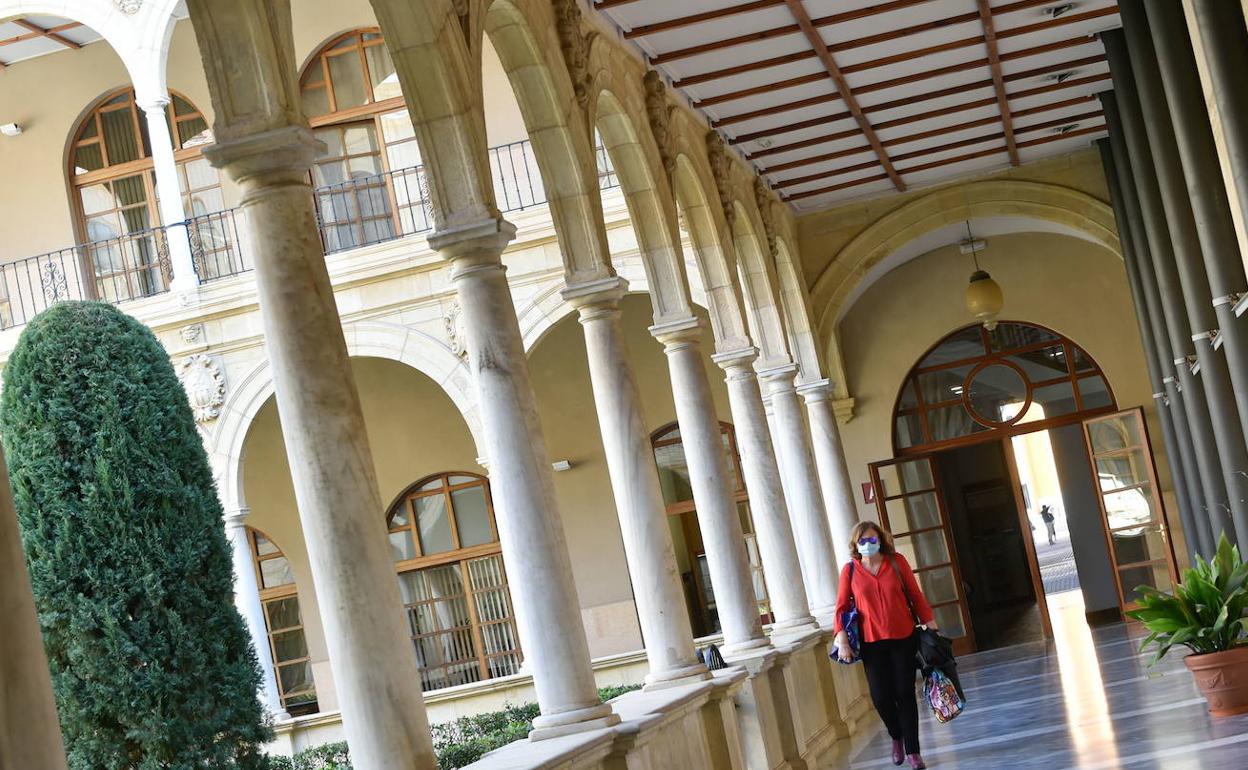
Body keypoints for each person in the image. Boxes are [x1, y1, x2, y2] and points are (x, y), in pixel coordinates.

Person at [834, 520, 937, 769]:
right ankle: (896, 735)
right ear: (856, 545)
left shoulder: (896, 562)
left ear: (880, 539)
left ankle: (913, 752)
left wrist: (931, 624)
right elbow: (841, 607)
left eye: (872, 539)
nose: (868, 544)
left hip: (903, 637)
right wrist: (842, 637)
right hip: (871, 642)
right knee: (880, 697)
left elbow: (915, 594)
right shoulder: (850, 571)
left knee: (905, 692)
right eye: (863, 541)